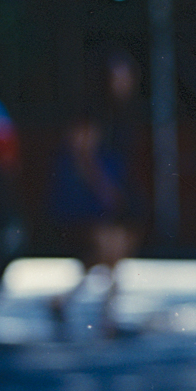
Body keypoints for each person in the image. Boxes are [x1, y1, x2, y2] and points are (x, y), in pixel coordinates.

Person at [45, 61, 140, 335]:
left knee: (112, 253)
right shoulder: (94, 111)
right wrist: (104, 189)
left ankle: (64, 301)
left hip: (108, 189)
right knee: (113, 251)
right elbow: (83, 153)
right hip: (90, 195)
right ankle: (108, 318)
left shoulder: (121, 113)